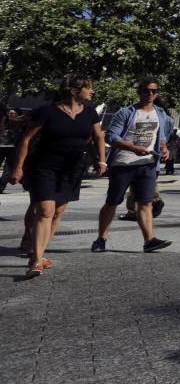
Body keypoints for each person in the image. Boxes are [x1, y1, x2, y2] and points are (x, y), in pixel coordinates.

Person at [9, 75, 107, 277]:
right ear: (74, 91)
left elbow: (99, 136)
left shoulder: (89, 113)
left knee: (58, 211)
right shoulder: (48, 111)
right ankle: (36, 260)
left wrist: (101, 160)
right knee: (45, 210)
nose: (92, 91)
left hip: (73, 168)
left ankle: (39, 253)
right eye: (89, 88)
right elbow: (26, 140)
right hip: (45, 166)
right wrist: (18, 168)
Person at [91, 77, 172, 253]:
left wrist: (164, 149)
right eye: (146, 91)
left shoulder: (160, 113)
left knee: (146, 203)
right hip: (123, 164)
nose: (150, 94)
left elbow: (162, 137)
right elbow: (111, 137)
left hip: (148, 164)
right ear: (139, 92)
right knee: (112, 202)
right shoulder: (125, 112)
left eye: (154, 91)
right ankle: (101, 238)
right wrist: (134, 148)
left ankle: (149, 240)